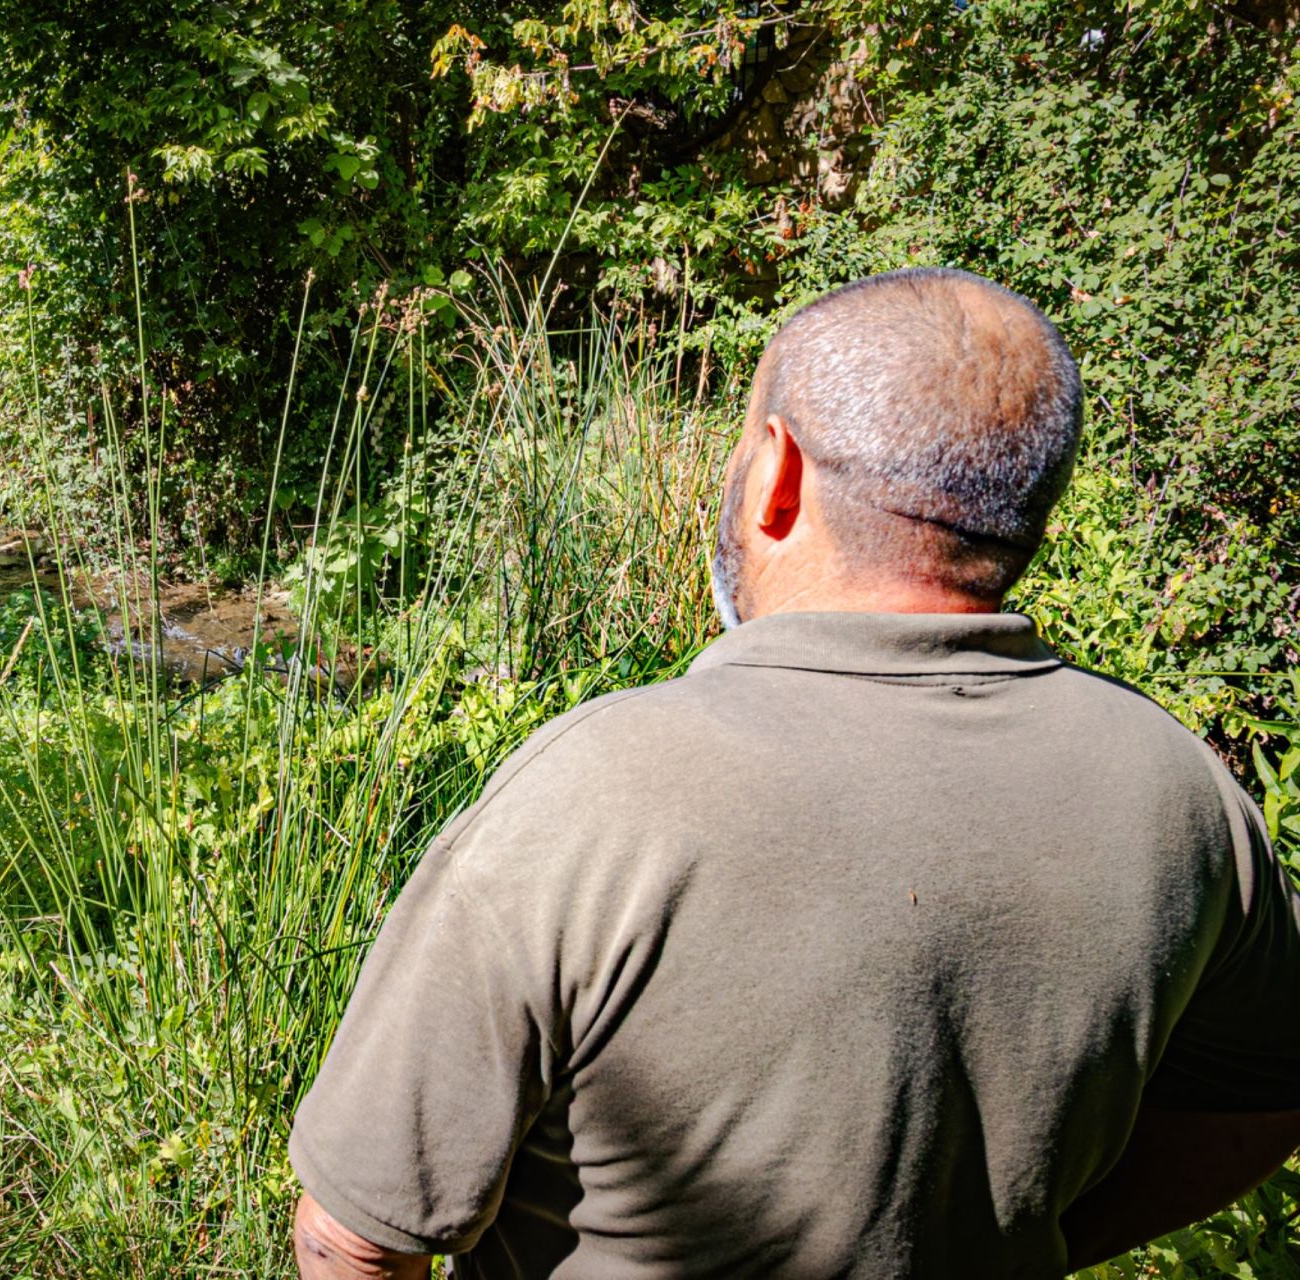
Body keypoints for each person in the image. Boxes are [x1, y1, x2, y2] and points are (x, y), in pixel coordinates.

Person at [287, 267, 1300, 1279]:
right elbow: (1263, 1101)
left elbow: (355, 1237)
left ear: (776, 472)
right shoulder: (1182, 793)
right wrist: (1041, 1238)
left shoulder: (590, 792)